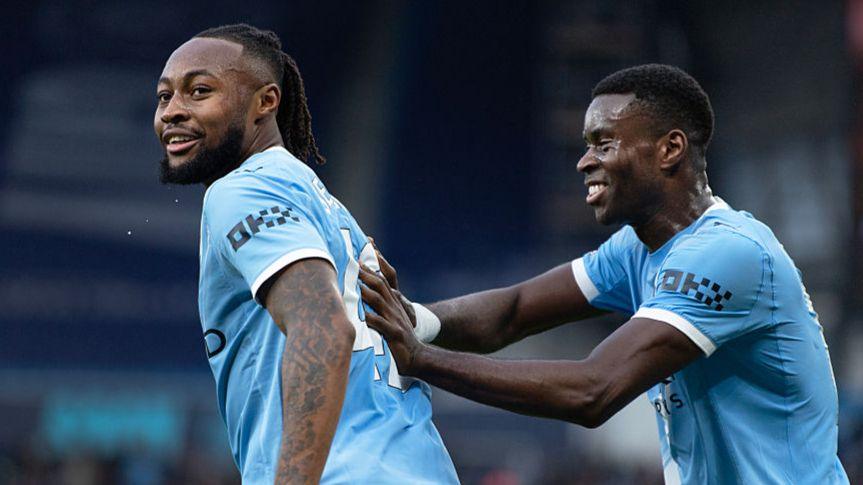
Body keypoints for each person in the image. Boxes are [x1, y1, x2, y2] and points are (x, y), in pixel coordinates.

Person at [359, 64, 849, 484]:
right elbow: (513, 312)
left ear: (670, 148)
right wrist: (412, 317)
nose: (584, 161)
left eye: (604, 142)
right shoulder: (639, 249)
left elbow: (593, 391)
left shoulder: (728, 253)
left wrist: (421, 359)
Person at [154, 24, 458, 484]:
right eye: (163, 97)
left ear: (266, 102)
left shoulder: (242, 190)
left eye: (199, 91)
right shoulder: (325, 207)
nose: (173, 111)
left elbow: (323, 327)